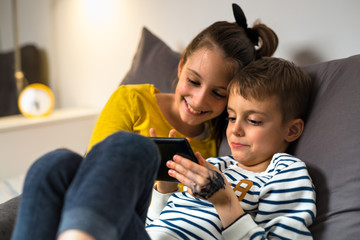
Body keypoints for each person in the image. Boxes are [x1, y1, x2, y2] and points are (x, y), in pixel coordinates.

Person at [10, 3, 280, 239]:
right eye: (193, 81)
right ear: (181, 65)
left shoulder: (223, 144)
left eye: (218, 94)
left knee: (135, 147)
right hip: (103, 212)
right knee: (56, 163)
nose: (198, 100)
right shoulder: (132, 100)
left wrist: (167, 187)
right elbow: (93, 172)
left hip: (145, 226)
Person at [11, 57, 315, 240]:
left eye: (254, 121)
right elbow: (156, 225)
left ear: (292, 129)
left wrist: (225, 202)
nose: (234, 129)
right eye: (232, 117)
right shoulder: (215, 165)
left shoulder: (287, 174)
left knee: (133, 148)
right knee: (58, 164)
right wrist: (166, 187)